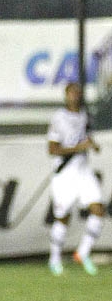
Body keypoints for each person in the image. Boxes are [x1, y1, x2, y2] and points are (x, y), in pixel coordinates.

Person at [47, 82, 104, 277]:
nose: (76, 96)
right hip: (65, 174)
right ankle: (54, 259)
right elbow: (52, 149)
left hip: (83, 171)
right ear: (66, 95)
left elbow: (87, 138)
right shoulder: (58, 118)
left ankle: (83, 252)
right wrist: (78, 148)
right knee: (63, 217)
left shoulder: (85, 116)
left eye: (78, 93)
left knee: (98, 209)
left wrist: (93, 146)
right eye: (72, 93)